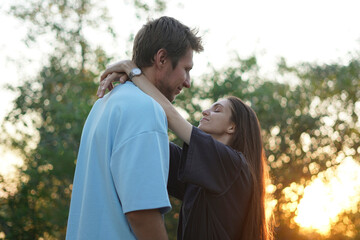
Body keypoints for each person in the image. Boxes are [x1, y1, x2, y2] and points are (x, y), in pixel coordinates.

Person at [97, 61, 274, 240]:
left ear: (232, 127)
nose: (205, 111)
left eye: (217, 110)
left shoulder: (235, 167)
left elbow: (171, 115)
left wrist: (133, 72)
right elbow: (147, 141)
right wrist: (127, 90)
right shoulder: (201, 172)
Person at [66, 16, 203, 240]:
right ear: (161, 58)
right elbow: (142, 213)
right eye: (186, 69)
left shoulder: (102, 105)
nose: (188, 81)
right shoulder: (146, 109)